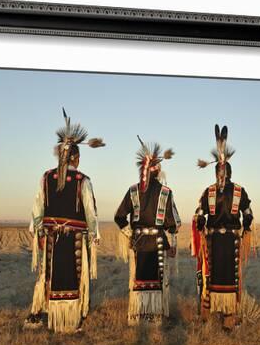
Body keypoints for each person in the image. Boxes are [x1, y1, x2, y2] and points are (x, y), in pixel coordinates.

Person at [25, 108, 105, 333]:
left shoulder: (46, 177)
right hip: (75, 240)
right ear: (76, 158)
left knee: (49, 274)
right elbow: (90, 212)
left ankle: (48, 313)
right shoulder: (82, 180)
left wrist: (37, 230)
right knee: (73, 278)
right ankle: (70, 319)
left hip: (51, 238)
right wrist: (94, 234)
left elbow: (36, 209)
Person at [192, 124, 255, 330]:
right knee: (231, 277)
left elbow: (199, 217)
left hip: (214, 242)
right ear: (228, 170)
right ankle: (229, 317)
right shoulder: (239, 191)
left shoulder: (208, 192)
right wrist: (245, 229)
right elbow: (248, 215)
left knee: (212, 276)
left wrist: (202, 225)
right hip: (231, 242)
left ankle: (210, 313)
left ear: (218, 172)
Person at [114, 136, 181, 325]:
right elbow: (174, 224)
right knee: (158, 280)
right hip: (158, 243)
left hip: (139, 243)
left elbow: (119, 217)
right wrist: (173, 243)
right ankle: (155, 316)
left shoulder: (133, 191)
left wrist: (131, 235)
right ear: (158, 171)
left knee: (138, 279)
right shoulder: (166, 193)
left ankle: (138, 315)